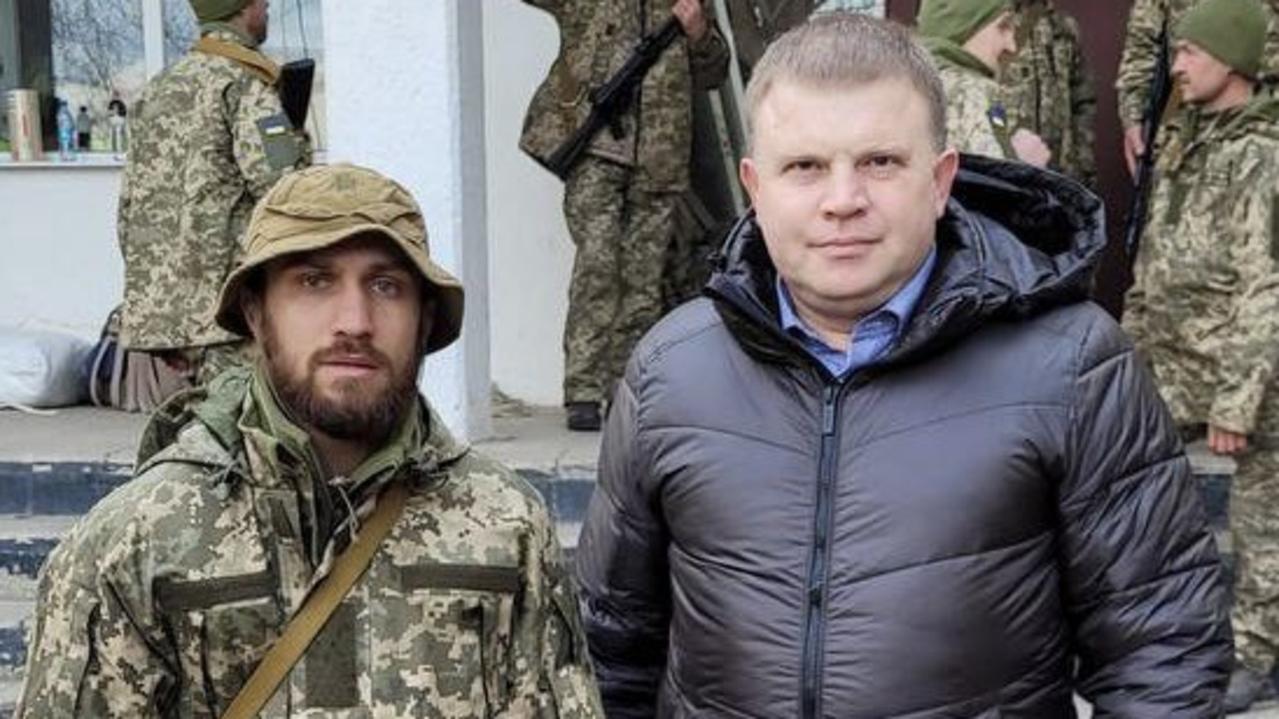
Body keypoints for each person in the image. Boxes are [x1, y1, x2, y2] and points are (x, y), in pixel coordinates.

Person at [575, 12, 1230, 717]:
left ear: (941, 177)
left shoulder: (1073, 368)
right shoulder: (670, 372)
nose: (842, 200)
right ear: (754, 187)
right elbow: (608, 649)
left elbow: (1162, 653)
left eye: (879, 162)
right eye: (804, 166)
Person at [17, 164, 604, 717]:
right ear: (255, 311)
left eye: (386, 285)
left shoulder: (505, 526)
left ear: (425, 320)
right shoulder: (134, 541)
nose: (354, 319)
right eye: (314, 281)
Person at [1119, 0, 1279, 711]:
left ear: (1231, 60)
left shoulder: (1262, 154)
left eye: (1188, 53)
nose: (1174, 65)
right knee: (1148, 507)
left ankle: (1253, 652)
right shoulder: (1190, 140)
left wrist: (1235, 402)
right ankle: (1177, 638)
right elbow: (1152, 258)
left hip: (1242, 380)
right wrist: (1127, 354)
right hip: (1171, 364)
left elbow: (1265, 286)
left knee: (1258, 523)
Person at [520, 0, 730, 431]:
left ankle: (626, 388)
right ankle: (582, 388)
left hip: (661, 153)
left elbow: (714, 72)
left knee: (643, 281)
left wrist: (699, 34)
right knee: (597, 263)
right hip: (596, 148)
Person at [116, 0, 310, 404]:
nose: (269, 6)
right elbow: (284, 189)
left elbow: (128, 212)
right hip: (229, 317)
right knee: (248, 437)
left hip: (167, 321)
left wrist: (162, 309)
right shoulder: (246, 84)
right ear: (243, 8)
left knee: (193, 442)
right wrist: (296, 137)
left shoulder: (159, 89)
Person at [1116, 0, 1278, 177]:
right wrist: (1133, 115)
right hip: (1181, 97)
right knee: (1171, 188)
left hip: (1267, 99)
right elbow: (1142, 41)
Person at [915, 0, 1051, 167]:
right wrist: (1023, 164)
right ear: (962, 24)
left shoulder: (902, 83)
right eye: (1002, 27)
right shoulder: (969, 92)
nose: (1011, 46)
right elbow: (992, 189)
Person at [1004, 0, 1097, 186]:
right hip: (1009, 171)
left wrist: (1082, 165)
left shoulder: (1064, 27)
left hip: (1060, 175)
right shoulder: (990, 26)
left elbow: (1083, 100)